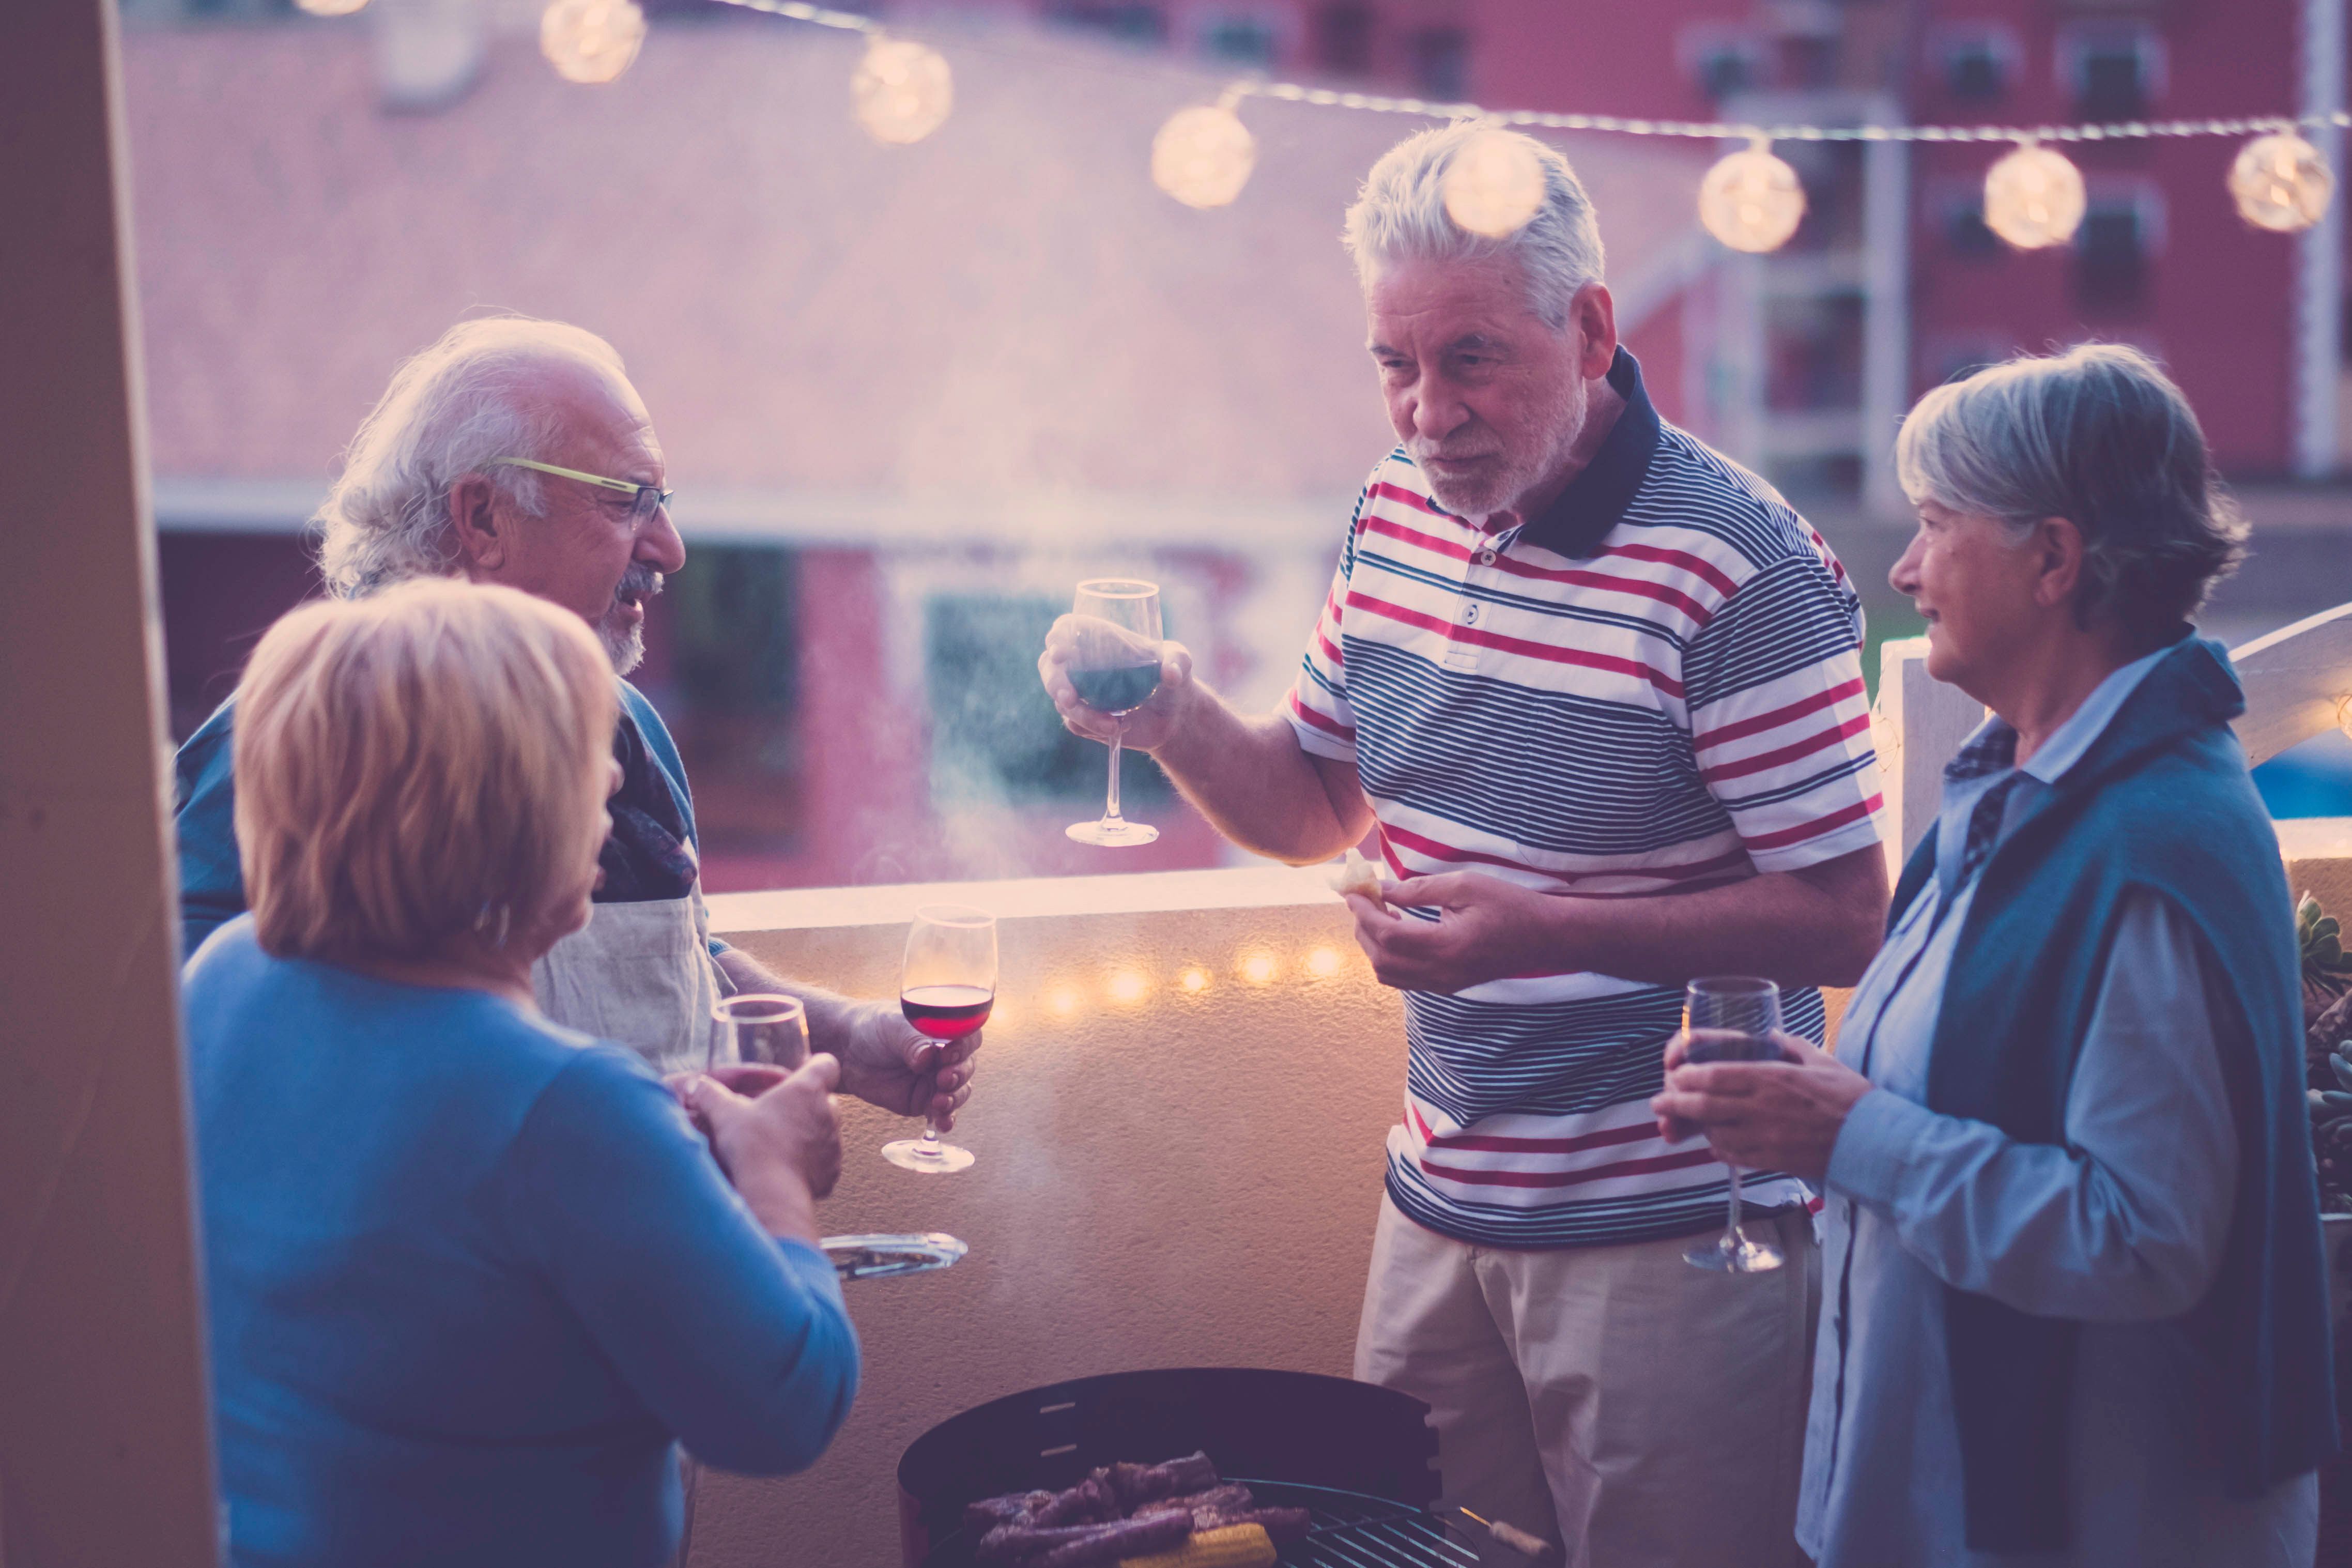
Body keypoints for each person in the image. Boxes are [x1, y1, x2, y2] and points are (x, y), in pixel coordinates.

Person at [1039, 124, 1889, 1566]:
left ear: (1592, 328)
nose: (1429, 411)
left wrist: (1546, 928)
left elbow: (1844, 914)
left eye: (1473, 357)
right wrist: (1173, 712)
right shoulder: (1391, 515)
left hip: (1678, 1234)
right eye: (1396, 364)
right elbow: (1312, 806)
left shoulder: (1736, 566)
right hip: (1436, 1209)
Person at [1652, 344, 2340, 1566]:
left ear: (2053, 560)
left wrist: (1844, 1132)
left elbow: (2140, 1238)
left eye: (1931, 523)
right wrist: (1801, 1112)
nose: (1905, 569)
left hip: (2089, 1521)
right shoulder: (2018, 790)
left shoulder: (2148, 845)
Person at [184, 579, 860, 1568]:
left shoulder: (221, 979)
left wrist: (653, 1169)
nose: (612, 791)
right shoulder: (570, 1107)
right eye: (590, 760)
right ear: (510, 808)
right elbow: (785, 1408)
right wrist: (777, 1178)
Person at [173, 315, 975, 1125]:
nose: (670, 547)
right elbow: (199, 1053)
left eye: (661, 502)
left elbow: (676, 962)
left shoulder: (630, 724)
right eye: (628, 501)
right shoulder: (294, 740)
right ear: (483, 518)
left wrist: (847, 1041)